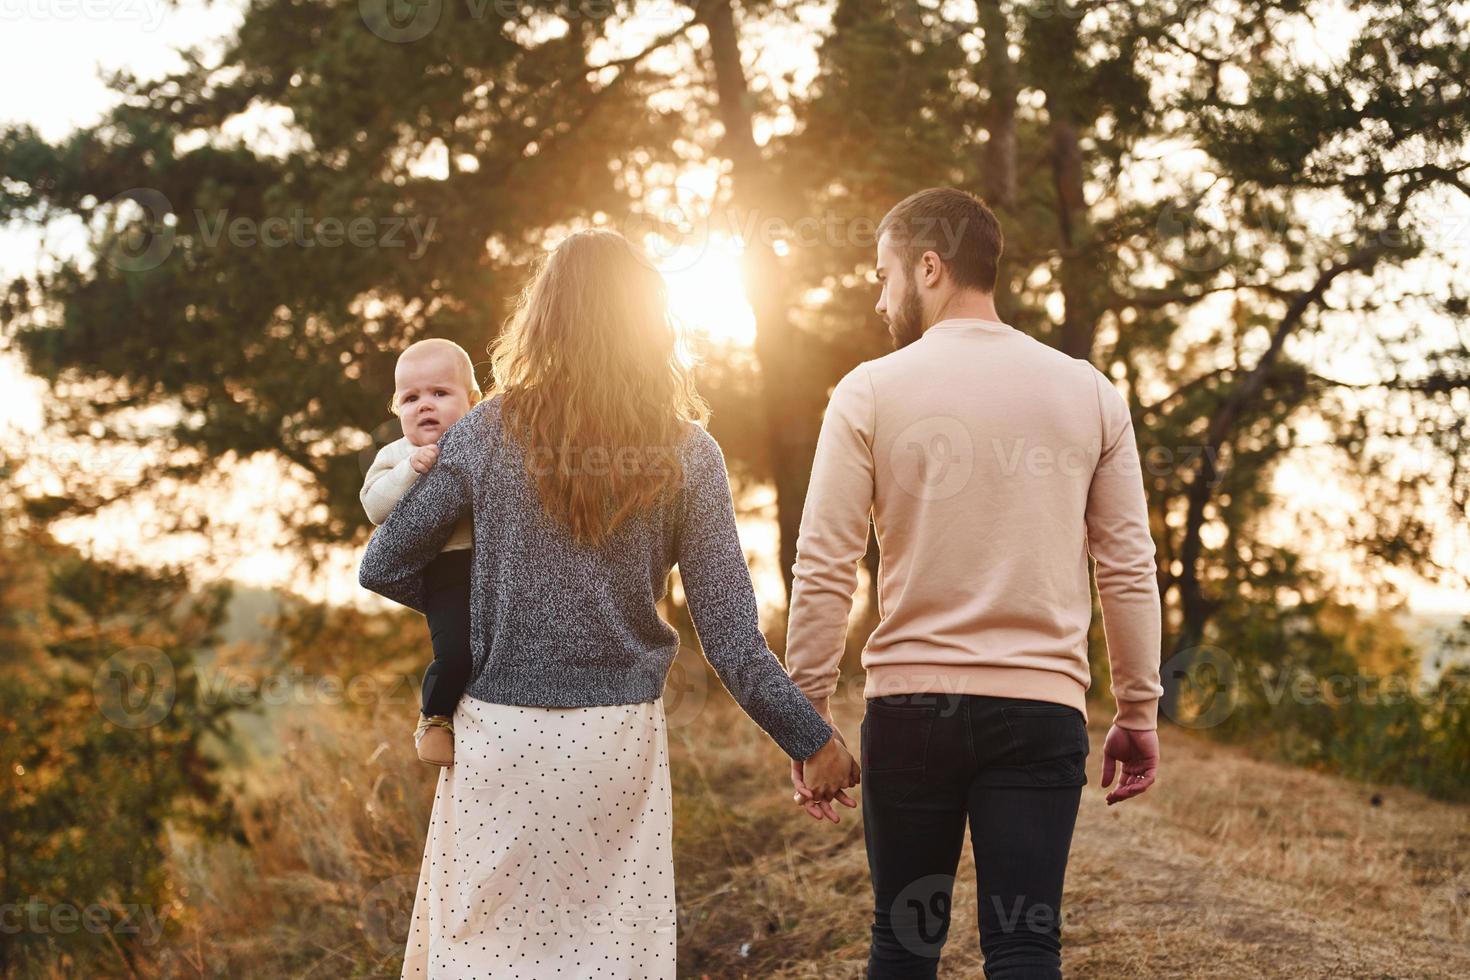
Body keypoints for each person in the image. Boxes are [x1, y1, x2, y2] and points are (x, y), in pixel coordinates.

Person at [358, 228, 859, 978]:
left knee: (490, 955)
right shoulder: (688, 452)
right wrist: (812, 741)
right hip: (612, 741)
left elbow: (385, 562)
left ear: (544, 318)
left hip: (500, 735)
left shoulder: (487, 432)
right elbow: (730, 639)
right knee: (604, 955)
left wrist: (471, 606)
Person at [783, 187, 1164, 979]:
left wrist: (809, 712)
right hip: (1039, 712)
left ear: (930, 266)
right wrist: (1137, 709)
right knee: (1025, 947)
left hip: (913, 711)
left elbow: (825, 561)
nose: (879, 296)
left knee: (904, 942)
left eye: (885, 274)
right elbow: (1126, 564)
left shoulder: (870, 391)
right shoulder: (1089, 391)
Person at [360, 338, 480, 767]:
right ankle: (434, 717)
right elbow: (374, 507)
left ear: (473, 401)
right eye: (411, 398)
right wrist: (409, 472)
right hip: (444, 566)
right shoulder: (396, 454)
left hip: (496, 561)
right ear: (397, 409)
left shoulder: (485, 444)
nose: (424, 405)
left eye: (439, 393)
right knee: (456, 650)